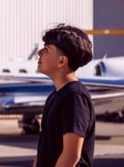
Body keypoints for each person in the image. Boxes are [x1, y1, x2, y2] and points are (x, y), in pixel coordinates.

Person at [33, 24, 95, 167]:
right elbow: (45, 148)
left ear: (62, 61)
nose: (39, 52)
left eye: (46, 49)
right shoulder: (56, 95)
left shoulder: (74, 97)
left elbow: (71, 155)